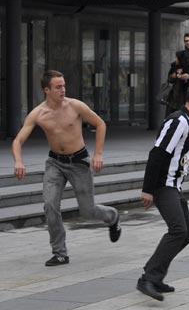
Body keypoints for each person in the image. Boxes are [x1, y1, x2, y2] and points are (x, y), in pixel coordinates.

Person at [11, 70, 121, 266]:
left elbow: (100, 124)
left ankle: (112, 217)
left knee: (88, 211)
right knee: (50, 205)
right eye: (58, 87)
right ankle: (60, 252)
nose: (63, 89)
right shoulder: (38, 114)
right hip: (55, 163)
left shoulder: (75, 106)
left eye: (63, 85)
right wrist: (18, 161)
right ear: (47, 90)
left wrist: (98, 154)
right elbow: (18, 140)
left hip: (79, 162)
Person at [136, 80, 189, 302]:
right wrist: (147, 190)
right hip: (163, 185)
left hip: (175, 185)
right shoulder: (178, 122)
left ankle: (154, 275)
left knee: (186, 233)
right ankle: (148, 278)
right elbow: (157, 154)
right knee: (178, 230)